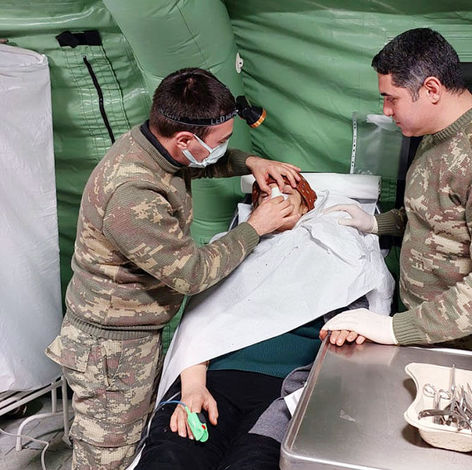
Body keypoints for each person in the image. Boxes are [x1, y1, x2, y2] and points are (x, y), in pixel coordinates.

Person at [45, 67, 303, 470]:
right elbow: (193, 274)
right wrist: (256, 226)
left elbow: (202, 163)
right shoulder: (132, 195)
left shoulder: (158, 145)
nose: (223, 149)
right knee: (107, 457)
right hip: (111, 349)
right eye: (221, 142)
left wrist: (251, 161)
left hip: (136, 335)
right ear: (185, 139)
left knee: (137, 443)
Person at [323, 28, 472, 358]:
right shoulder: (436, 132)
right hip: (425, 334)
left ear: (431, 89)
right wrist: (375, 224)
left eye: (392, 98)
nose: (386, 110)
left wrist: (394, 329)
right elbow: (436, 213)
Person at [134, 176, 393, 470]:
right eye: (265, 196)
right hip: (212, 382)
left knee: (254, 462)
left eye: (288, 192)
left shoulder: (338, 247)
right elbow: (198, 323)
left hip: (285, 392)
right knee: (169, 456)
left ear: (307, 205)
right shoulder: (227, 248)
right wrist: (193, 386)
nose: (276, 195)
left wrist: (351, 326)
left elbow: (362, 308)